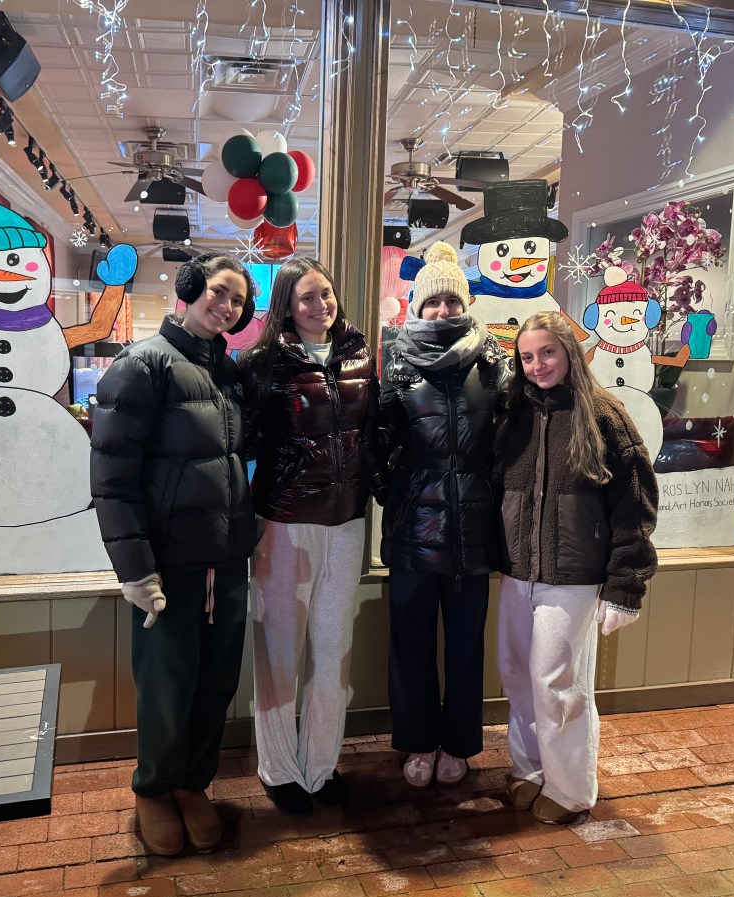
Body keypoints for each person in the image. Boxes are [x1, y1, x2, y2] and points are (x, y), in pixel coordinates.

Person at [91, 253, 258, 856]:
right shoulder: (142, 365)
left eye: (238, 299)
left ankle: (194, 783)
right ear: (191, 290)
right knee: (166, 682)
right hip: (168, 563)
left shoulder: (229, 374)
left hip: (227, 558)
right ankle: (154, 788)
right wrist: (134, 569)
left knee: (215, 680)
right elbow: (112, 478)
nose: (227, 306)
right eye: (219, 292)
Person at [494, 310, 658, 825]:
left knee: (557, 682)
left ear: (569, 353)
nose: (538, 364)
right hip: (519, 571)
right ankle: (531, 770)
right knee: (519, 676)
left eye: (547, 353)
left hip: (574, 576)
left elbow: (635, 503)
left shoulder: (605, 414)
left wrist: (625, 585)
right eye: (527, 356)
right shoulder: (512, 412)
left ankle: (570, 789)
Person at [238, 258, 382, 816]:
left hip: (346, 522)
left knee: (332, 653)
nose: (320, 305)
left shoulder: (361, 355)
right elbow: (243, 443)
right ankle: (278, 768)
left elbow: (374, 433)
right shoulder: (261, 363)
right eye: (306, 298)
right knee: (278, 654)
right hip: (285, 524)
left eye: (325, 293)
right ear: (285, 306)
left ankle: (322, 764)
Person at [379, 240, 505, 789]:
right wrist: (395, 493)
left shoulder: (492, 360)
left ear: (465, 303)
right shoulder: (399, 362)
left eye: (452, 301)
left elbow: (508, 437)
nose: (444, 311)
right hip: (414, 530)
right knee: (409, 644)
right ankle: (416, 741)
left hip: (473, 530)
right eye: (433, 303)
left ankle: (459, 743)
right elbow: (377, 438)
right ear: (416, 306)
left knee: (465, 644)